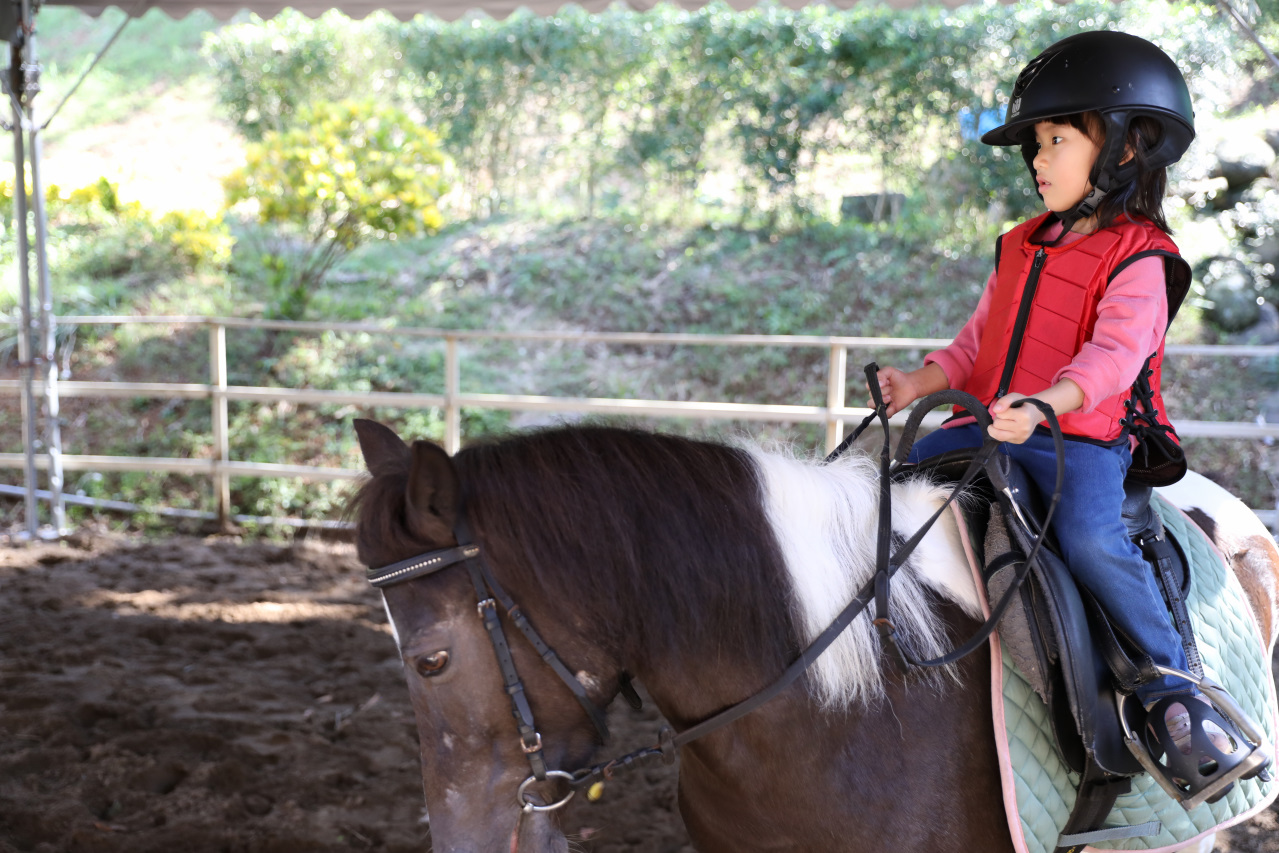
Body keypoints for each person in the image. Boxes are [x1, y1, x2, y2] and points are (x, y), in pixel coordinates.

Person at [872, 31, 1243, 785]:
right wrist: (919, 382)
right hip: (981, 426)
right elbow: (976, 343)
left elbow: (1113, 359)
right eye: (1035, 145)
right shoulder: (1017, 245)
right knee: (879, 487)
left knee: (1090, 539)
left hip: (1076, 441)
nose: (1037, 160)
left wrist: (1044, 405)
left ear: (1125, 150)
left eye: (1055, 140)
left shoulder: (1140, 257)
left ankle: (1174, 689)